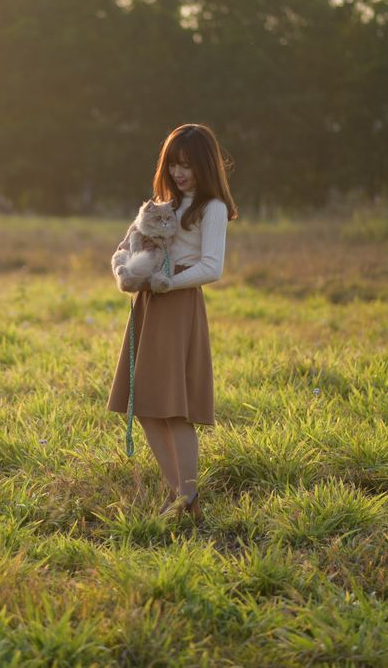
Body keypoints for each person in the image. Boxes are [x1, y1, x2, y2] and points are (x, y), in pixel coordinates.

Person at [107, 123, 238, 522]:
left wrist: (167, 284)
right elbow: (124, 245)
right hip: (149, 303)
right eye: (174, 165)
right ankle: (181, 497)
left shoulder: (211, 208)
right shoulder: (160, 203)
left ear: (204, 166)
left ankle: (187, 499)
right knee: (145, 405)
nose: (180, 173)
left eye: (188, 166)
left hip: (177, 304)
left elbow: (212, 267)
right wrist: (122, 269)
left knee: (174, 409)